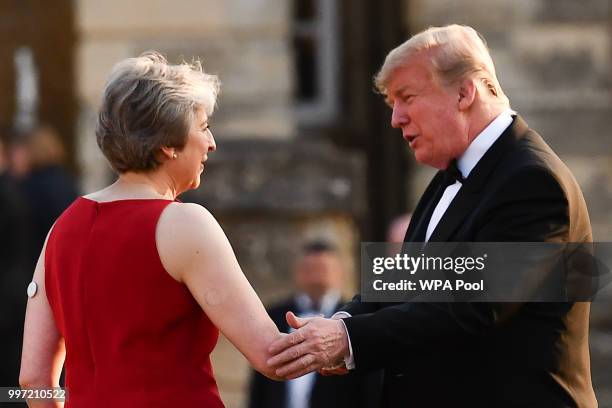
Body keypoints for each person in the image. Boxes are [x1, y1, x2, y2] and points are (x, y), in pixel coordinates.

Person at [267, 25, 597, 407]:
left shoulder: (533, 180)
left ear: (464, 92)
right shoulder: (449, 177)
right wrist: (338, 323)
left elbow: (475, 305)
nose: (396, 119)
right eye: (392, 104)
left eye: (407, 97)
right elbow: (401, 283)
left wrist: (349, 339)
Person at [19, 51, 284, 407]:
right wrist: (351, 333)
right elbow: (270, 354)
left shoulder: (61, 228)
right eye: (203, 127)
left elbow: (33, 379)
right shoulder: (185, 223)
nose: (211, 142)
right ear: (167, 145)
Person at [248, 241, 382, 408]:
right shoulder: (275, 315)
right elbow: (260, 383)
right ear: (297, 272)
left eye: (323, 270)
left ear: (340, 272)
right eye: (309, 270)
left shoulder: (354, 318)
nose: (315, 278)